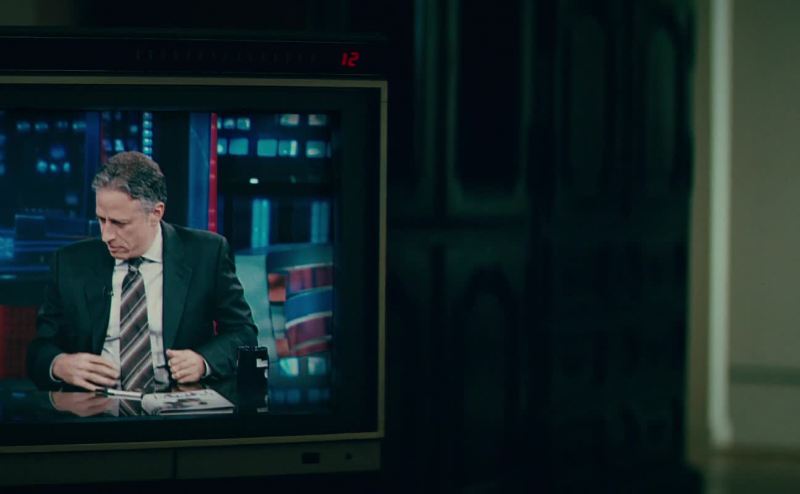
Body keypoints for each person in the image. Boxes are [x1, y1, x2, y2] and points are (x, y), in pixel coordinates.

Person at [27, 151, 258, 392]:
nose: (106, 236)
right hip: (96, 405)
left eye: (119, 223)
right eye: (101, 220)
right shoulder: (70, 263)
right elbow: (39, 350)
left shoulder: (206, 254)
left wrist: (203, 362)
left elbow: (243, 333)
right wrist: (60, 365)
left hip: (177, 404)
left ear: (156, 213)